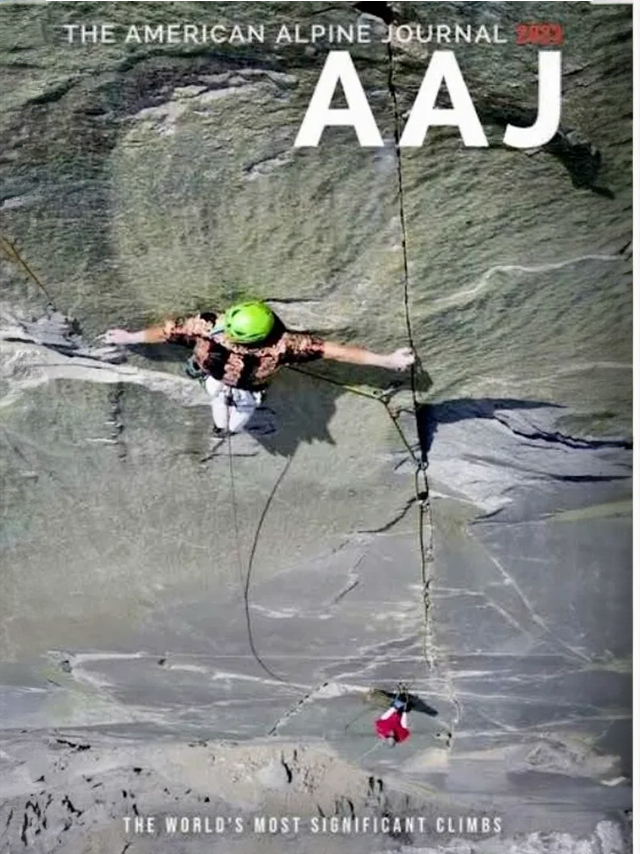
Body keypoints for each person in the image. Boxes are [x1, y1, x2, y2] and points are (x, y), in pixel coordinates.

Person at [103, 301, 415, 434]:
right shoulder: (286, 346)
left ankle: (224, 429)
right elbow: (338, 352)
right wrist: (386, 360)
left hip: (240, 390)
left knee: (230, 421)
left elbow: (167, 332)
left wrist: (386, 360)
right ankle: (223, 427)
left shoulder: (207, 326)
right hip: (219, 381)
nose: (222, 324)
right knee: (221, 405)